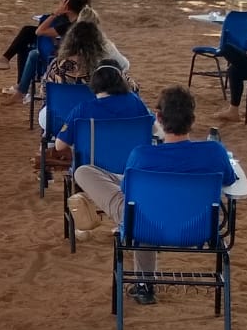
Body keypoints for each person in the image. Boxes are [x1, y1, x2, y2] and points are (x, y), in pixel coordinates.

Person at [67, 83, 235, 306]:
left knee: (99, 181)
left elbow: (126, 193)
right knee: (145, 202)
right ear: (192, 119)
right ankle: (144, 284)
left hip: (146, 221)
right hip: (198, 228)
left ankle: (145, 285)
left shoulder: (142, 155)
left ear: (158, 117)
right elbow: (230, 180)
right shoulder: (214, 152)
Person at [54, 64, 151, 238]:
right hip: (133, 170)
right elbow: (151, 131)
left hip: (94, 170)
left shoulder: (83, 109)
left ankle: (85, 224)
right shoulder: (136, 103)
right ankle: (122, 220)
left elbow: (59, 146)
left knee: (80, 170)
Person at [0, 0, 92, 72]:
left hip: (60, 43)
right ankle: (15, 79)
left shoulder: (77, 14)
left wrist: (54, 14)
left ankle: (7, 63)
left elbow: (42, 30)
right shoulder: (76, 7)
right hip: (60, 37)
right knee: (25, 42)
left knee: (27, 34)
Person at [1, 0, 89, 103]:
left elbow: (39, 31)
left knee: (33, 54)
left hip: (67, 66)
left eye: (61, 3)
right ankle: (21, 90)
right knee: (34, 51)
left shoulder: (69, 26)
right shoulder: (81, 22)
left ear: (66, 7)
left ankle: (21, 91)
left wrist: (55, 13)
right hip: (80, 63)